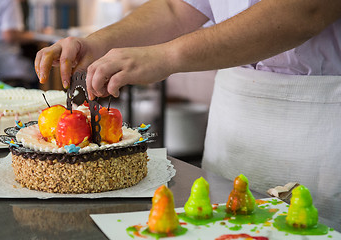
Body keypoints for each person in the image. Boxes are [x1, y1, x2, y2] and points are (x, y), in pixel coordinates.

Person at [35, 0, 341, 227]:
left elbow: (306, 10)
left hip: (320, 121)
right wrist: (97, 43)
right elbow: (176, 6)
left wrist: (168, 55)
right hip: (233, 121)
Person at [0, 0, 37, 88]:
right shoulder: (9, 2)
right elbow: (9, 35)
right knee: (39, 69)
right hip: (7, 66)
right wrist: (35, 35)